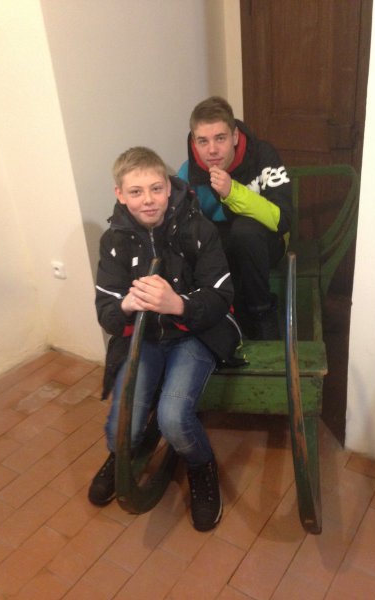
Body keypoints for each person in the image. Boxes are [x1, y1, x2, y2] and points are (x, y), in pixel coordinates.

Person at [88, 146, 241, 532]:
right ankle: (123, 452)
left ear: (169, 188)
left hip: (194, 335)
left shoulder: (199, 229)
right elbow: (107, 312)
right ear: (120, 194)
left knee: (173, 418)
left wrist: (178, 304)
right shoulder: (113, 241)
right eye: (136, 192)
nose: (148, 200)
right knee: (119, 430)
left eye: (156, 189)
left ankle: (201, 465)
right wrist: (126, 304)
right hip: (145, 339)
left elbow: (221, 296)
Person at [178, 96, 293, 340]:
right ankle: (223, 318)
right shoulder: (188, 173)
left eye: (220, 138)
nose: (212, 149)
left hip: (267, 241)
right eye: (203, 141)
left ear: (235, 137)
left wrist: (233, 192)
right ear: (194, 142)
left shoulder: (262, 155)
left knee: (244, 231)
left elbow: (282, 219)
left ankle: (262, 313)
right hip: (221, 249)